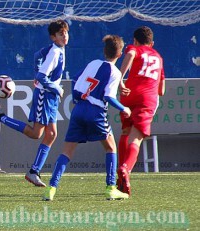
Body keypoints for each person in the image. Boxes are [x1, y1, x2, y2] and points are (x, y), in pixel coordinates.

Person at [0, 20, 69, 187]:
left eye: (65, 33)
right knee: (37, 134)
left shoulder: (57, 49)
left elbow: (37, 56)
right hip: (45, 95)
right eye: (60, 34)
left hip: (50, 97)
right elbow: (43, 77)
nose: (64, 36)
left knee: (51, 134)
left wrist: (38, 73)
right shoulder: (55, 52)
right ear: (53, 37)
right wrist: (55, 88)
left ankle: (34, 172)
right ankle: (1, 117)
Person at [43, 35, 131, 201]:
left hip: (79, 109)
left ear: (104, 51)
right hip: (96, 111)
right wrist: (124, 108)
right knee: (111, 147)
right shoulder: (115, 72)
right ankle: (111, 187)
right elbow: (109, 97)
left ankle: (51, 188)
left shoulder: (93, 63)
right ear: (119, 55)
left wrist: (77, 98)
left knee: (66, 152)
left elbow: (75, 79)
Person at [117, 26, 165, 196]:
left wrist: (120, 79)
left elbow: (130, 54)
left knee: (125, 132)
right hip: (146, 98)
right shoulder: (158, 57)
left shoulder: (134, 48)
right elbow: (162, 90)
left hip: (129, 94)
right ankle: (125, 169)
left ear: (135, 41)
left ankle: (118, 176)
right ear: (151, 43)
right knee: (135, 139)